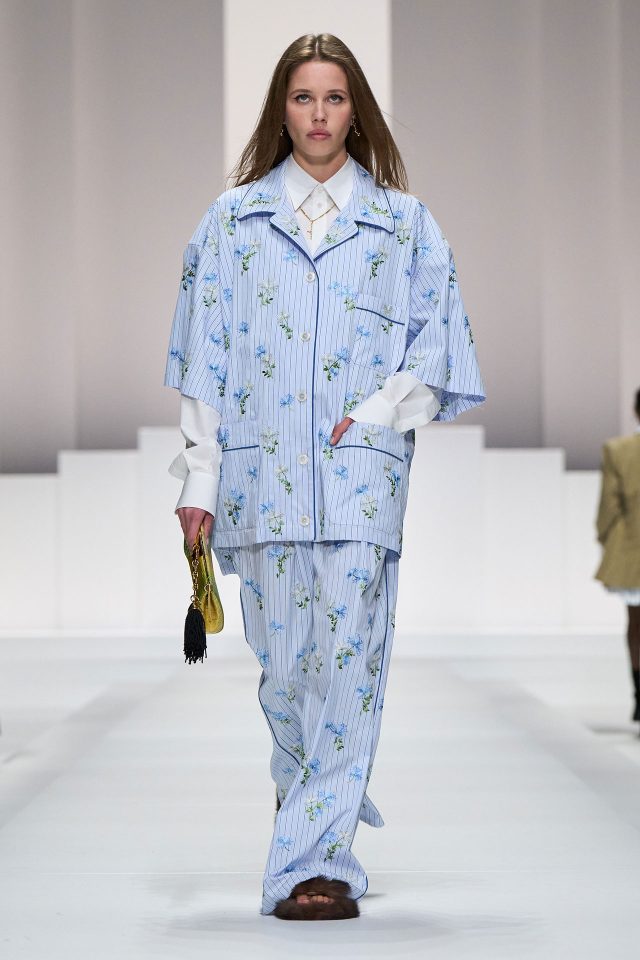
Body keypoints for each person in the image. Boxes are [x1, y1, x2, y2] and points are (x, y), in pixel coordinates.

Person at [164, 33, 485, 920]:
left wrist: (380, 412)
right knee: (286, 674)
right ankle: (306, 801)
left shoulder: (404, 225)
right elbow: (202, 359)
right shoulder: (230, 224)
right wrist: (198, 481)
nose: (318, 115)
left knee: (349, 666)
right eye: (303, 97)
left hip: (359, 479)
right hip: (259, 477)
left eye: (334, 98)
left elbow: (440, 345)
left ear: (356, 111)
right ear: (281, 108)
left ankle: (316, 862)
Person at [595, 389, 640, 724]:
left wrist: (606, 540)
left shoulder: (619, 450)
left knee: (636, 625)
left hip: (633, 552)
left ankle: (639, 696)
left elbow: (609, 508)